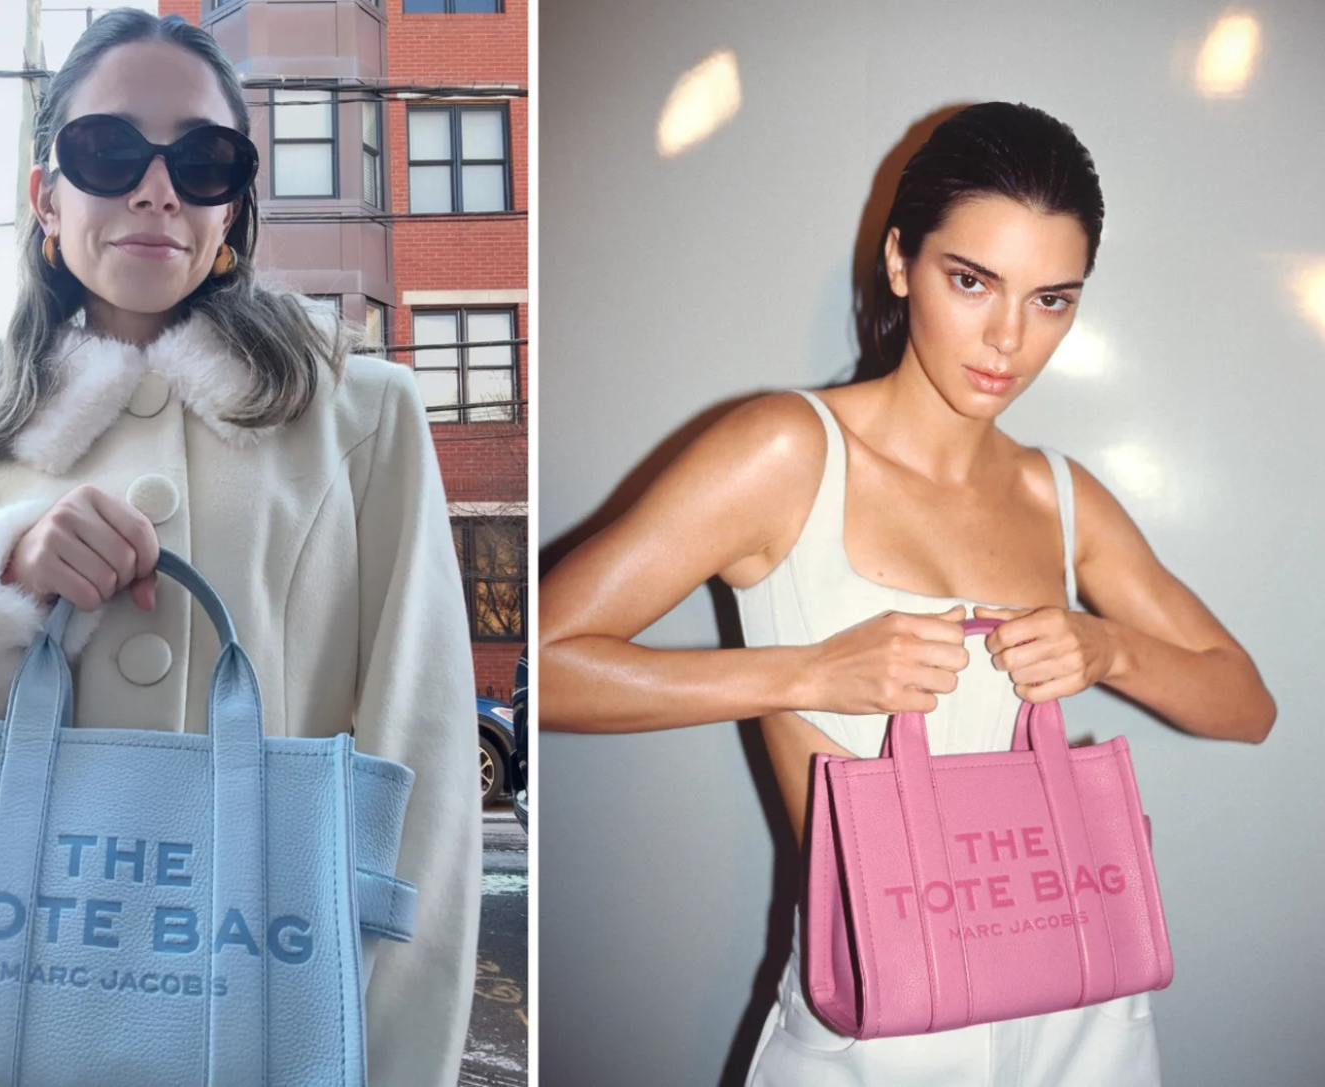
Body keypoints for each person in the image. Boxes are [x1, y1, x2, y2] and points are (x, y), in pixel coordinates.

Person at [539, 101, 1274, 1086]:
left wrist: (1112, 651)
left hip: (1083, 1004)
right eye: (971, 281)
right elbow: (535, 665)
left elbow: (1248, 705)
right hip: (878, 1017)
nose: (1008, 337)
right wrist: (808, 672)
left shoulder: (1058, 495)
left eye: (1052, 299)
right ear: (900, 263)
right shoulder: (787, 451)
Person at [0, 10, 480, 1085]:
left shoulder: (362, 416)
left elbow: (430, 791)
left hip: (260, 1026)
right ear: (47, 195)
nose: (155, 187)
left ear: (233, 208)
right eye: (109, 150)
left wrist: (396, 1061)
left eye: (204, 159)